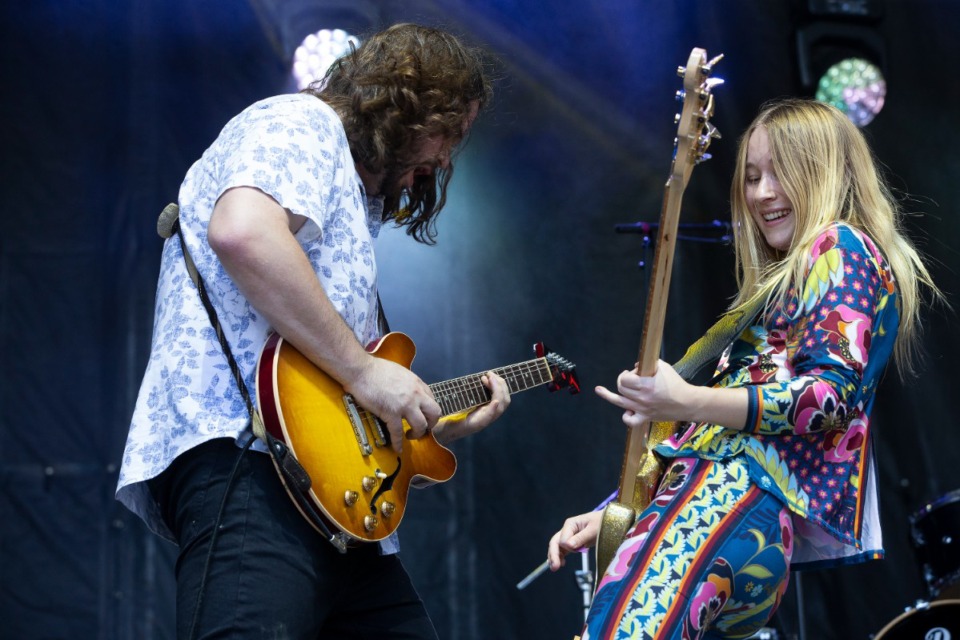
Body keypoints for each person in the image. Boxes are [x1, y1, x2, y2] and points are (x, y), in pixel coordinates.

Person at [117, 23, 511, 639]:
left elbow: (339, 385)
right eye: (449, 132)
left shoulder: (349, 195)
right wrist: (362, 369)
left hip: (332, 500)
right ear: (410, 107)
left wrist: (422, 417)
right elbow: (243, 231)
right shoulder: (300, 121)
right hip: (252, 467)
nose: (445, 159)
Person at [547, 98, 941, 639]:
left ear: (824, 171)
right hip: (738, 517)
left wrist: (684, 399)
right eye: (752, 177)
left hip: (729, 499)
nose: (761, 193)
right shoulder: (792, 277)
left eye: (782, 173)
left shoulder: (838, 247)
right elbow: (721, 426)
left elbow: (825, 399)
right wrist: (620, 510)